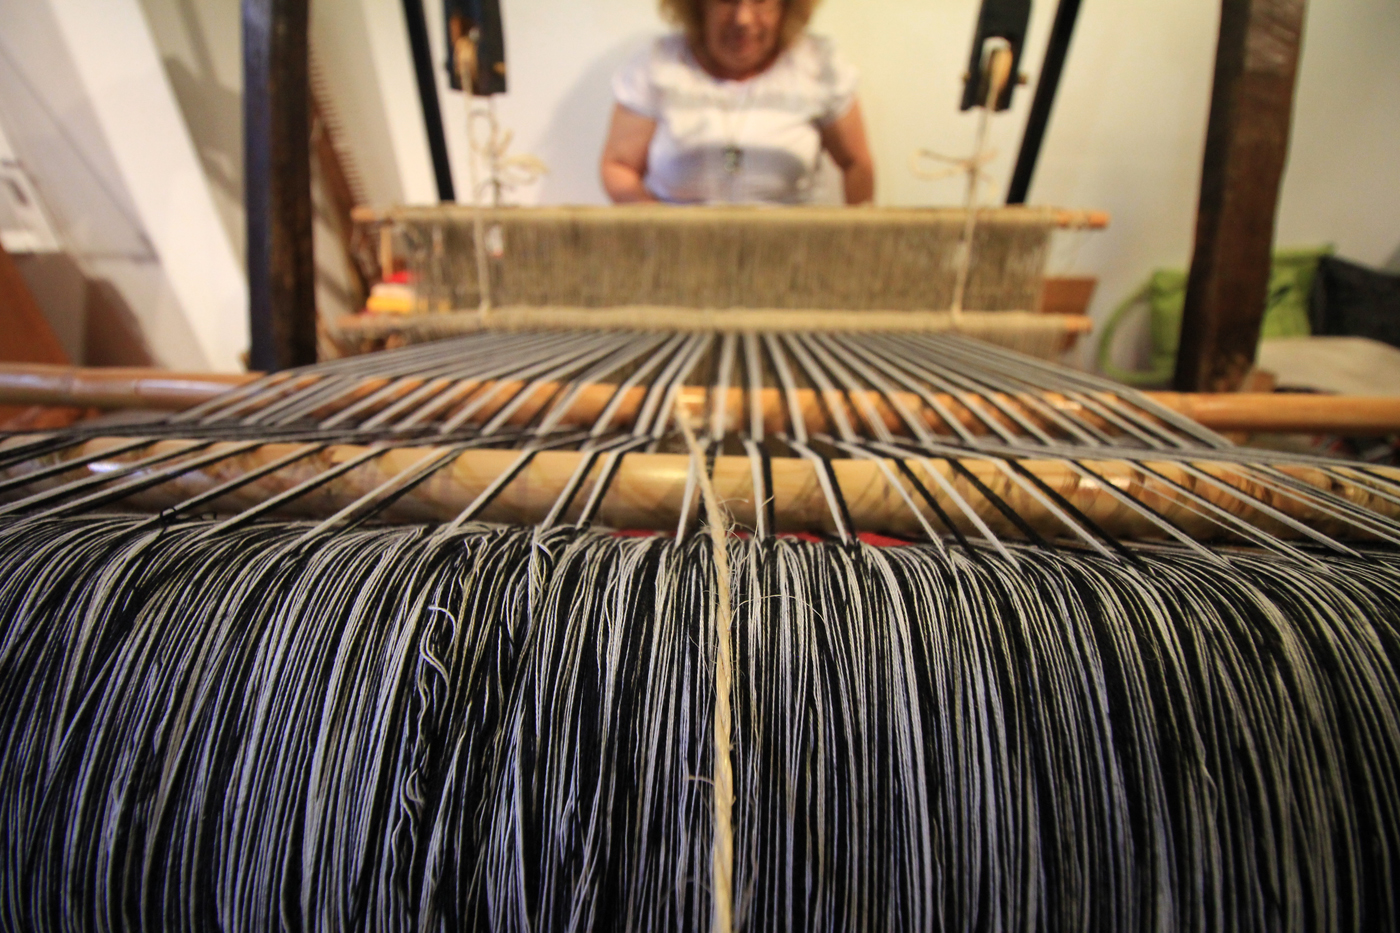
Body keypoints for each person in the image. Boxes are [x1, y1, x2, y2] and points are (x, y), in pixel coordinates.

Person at [600, 0, 874, 205]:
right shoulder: (658, 65)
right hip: (679, 256)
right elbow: (619, 165)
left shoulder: (819, 66)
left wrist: (854, 245)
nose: (742, 18)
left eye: (761, 1)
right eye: (726, 0)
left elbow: (857, 164)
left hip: (793, 256)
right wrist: (661, 232)